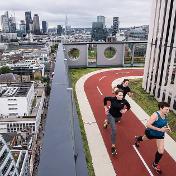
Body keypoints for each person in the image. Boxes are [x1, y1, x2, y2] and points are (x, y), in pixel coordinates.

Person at [134, 102, 171, 174]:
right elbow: (147, 124)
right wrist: (160, 129)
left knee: (161, 151)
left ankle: (155, 164)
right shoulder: (155, 115)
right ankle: (138, 139)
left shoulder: (165, 114)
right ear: (161, 108)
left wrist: (168, 127)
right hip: (151, 133)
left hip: (160, 135)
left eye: (168, 109)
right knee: (143, 139)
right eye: (166, 109)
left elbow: (165, 122)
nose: (168, 111)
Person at [103, 89, 131, 155]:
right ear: (116, 95)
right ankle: (113, 146)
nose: (121, 96)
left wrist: (125, 110)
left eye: (122, 95)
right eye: (120, 95)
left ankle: (106, 122)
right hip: (111, 115)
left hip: (118, 117)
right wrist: (105, 107)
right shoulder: (113, 99)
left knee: (112, 122)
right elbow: (105, 99)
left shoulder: (124, 101)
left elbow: (129, 106)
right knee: (114, 130)